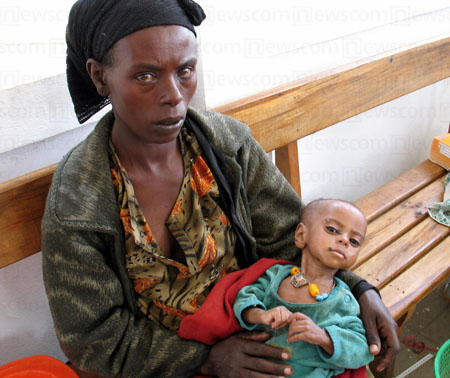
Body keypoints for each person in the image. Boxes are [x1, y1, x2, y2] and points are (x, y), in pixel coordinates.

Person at [41, 1, 399, 377]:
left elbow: (289, 237)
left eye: (185, 71)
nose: (175, 96)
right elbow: (93, 339)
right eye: (145, 76)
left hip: (259, 326)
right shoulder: (79, 201)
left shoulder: (228, 147)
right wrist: (204, 359)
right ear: (100, 77)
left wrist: (360, 291)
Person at [234, 199, 374, 377]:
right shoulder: (276, 276)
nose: (344, 240)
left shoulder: (343, 300)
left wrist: (324, 337)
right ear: (301, 235)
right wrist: (261, 315)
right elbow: (245, 298)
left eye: (354, 241)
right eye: (332, 229)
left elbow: (362, 350)